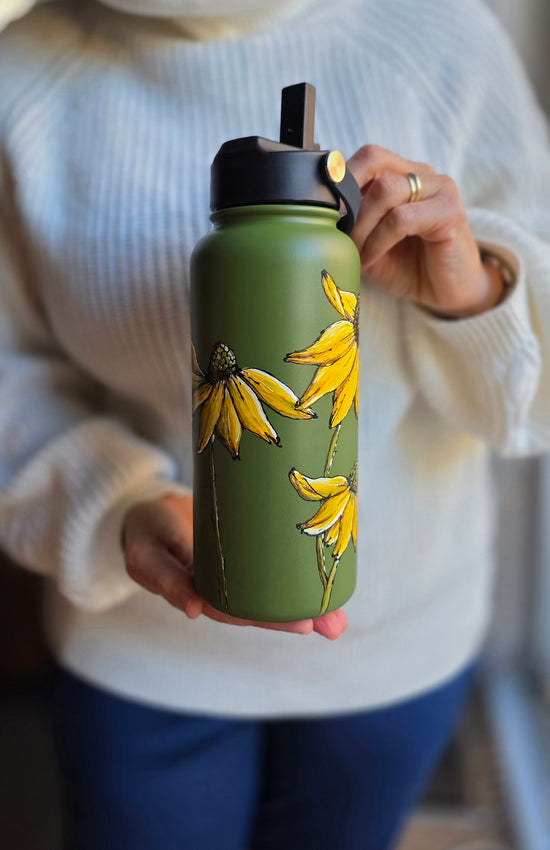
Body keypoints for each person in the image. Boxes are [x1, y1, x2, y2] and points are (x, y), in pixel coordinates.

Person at [1, 0, 549, 847]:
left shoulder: (441, 35)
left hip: (397, 650)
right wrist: (114, 503)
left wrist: (477, 290)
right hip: (139, 654)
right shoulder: (23, 75)